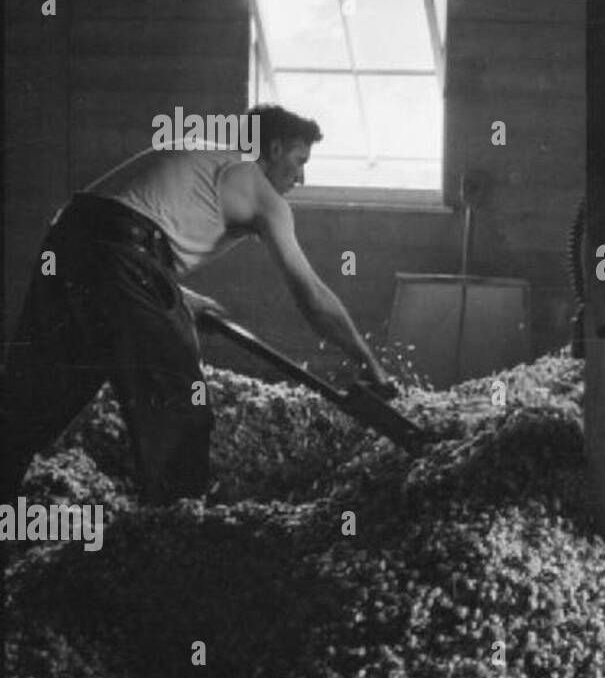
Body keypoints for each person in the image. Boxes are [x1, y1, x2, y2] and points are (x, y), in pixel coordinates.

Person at [0, 104, 390, 504]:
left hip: (68, 242)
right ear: (273, 148)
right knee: (179, 407)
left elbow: (118, 228)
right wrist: (369, 363)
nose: (302, 177)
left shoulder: (199, 154)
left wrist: (176, 295)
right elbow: (312, 296)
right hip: (125, 261)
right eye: (299, 160)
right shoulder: (260, 189)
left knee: (38, 391)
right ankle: (176, 535)